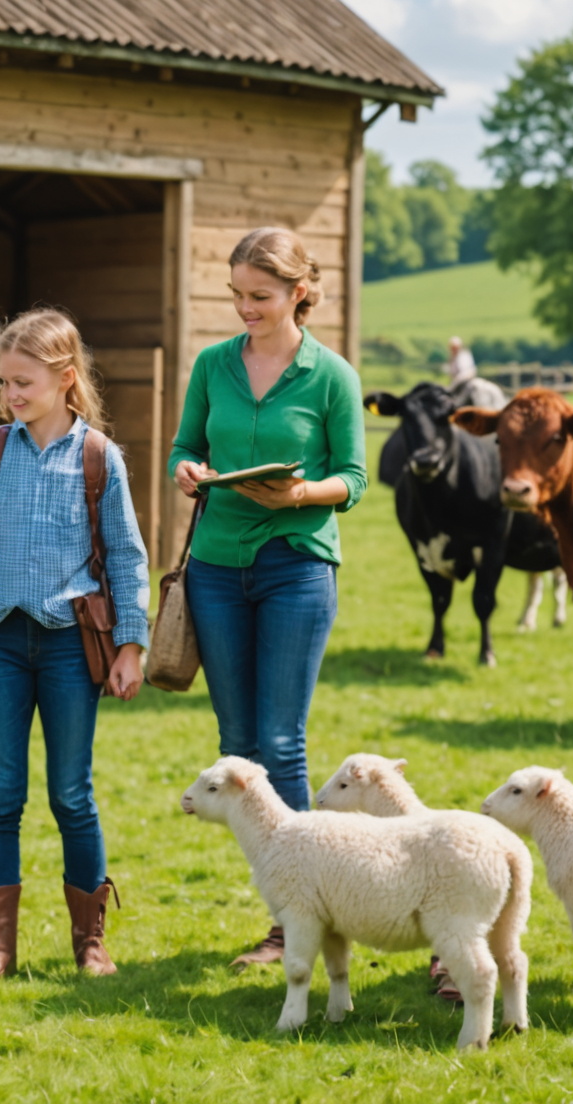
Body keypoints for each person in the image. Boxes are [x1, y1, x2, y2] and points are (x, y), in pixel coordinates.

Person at [167, 227, 367, 969]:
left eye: (260, 295)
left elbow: (355, 477)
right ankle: (288, 910)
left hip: (296, 565)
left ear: (298, 292)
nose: (245, 308)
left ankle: (298, 920)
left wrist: (301, 495)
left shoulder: (332, 376)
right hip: (216, 568)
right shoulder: (213, 365)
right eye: (237, 295)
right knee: (239, 741)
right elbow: (185, 446)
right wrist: (187, 470)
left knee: (281, 742)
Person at [0, 308, 151, 986]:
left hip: (69, 649)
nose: (10, 395)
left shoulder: (99, 457)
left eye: (23, 382)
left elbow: (127, 556)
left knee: (70, 794)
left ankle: (91, 944)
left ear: (65, 379)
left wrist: (131, 645)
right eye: (4, 383)